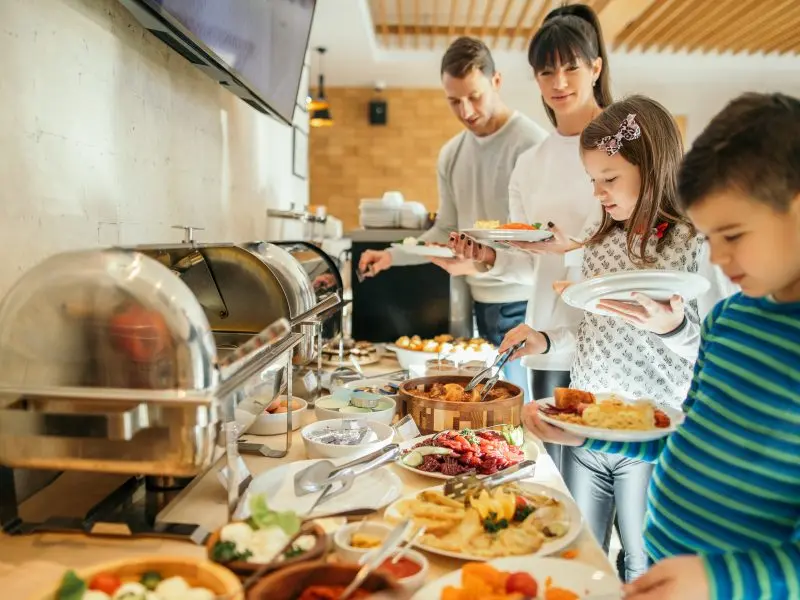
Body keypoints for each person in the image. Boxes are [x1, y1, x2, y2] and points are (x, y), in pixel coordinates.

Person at [525, 92, 800, 600]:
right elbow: (680, 432)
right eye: (712, 235)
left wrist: (713, 580)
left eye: (732, 234)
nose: (715, 254)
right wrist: (585, 436)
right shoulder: (730, 320)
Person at [496, 95, 734, 582]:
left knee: (642, 566)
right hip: (588, 427)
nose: (599, 193)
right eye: (593, 181)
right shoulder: (597, 239)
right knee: (581, 554)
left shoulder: (694, 243)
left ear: (653, 167)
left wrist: (674, 328)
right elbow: (589, 333)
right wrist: (544, 340)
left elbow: (715, 349)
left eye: (611, 180)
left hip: (652, 430)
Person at [448, 3, 611, 468]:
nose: (558, 83)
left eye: (570, 68)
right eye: (546, 72)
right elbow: (529, 266)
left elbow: (640, 250)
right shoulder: (531, 162)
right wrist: (487, 257)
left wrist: (575, 250)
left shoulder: (625, 145)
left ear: (595, 67)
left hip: (611, 340)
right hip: (547, 339)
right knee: (557, 486)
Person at [358, 36, 547, 398]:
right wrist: (392, 256)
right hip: (479, 302)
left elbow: (540, 240)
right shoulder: (451, 154)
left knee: (516, 409)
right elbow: (445, 228)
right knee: (489, 405)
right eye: (454, 101)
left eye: (474, 96)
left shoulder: (532, 145)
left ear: (496, 82)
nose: (466, 111)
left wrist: (478, 264)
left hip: (525, 303)